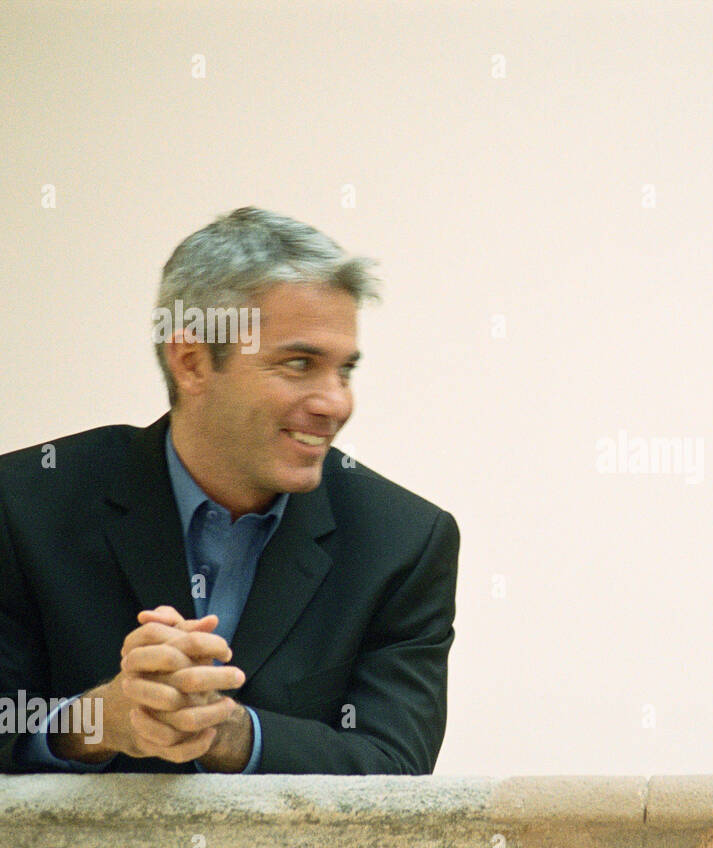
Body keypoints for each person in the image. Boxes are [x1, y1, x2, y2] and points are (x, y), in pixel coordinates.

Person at [0, 207, 459, 774]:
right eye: (299, 364)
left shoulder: (404, 542)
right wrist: (103, 719)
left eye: (345, 371)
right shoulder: (22, 505)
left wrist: (228, 732)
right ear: (191, 362)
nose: (335, 403)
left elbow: (393, 766)